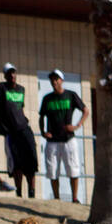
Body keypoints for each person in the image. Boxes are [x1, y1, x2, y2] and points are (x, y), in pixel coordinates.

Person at [0, 64, 38, 198]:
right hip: (10, 132)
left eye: (13, 73)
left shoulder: (21, 89)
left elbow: (19, 108)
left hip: (24, 128)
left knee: (31, 161)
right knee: (16, 163)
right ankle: (19, 192)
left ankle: (32, 192)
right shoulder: (0, 88)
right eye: (9, 73)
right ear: (5, 76)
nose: (12, 75)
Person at [39, 69, 88, 203]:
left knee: (73, 169)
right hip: (52, 140)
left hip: (68, 139)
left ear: (62, 80)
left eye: (56, 79)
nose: (54, 82)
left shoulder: (70, 95)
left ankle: (75, 197)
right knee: (52, 170)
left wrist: (77, 126)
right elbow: (41, 116)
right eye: (52, 79)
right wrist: (43, 132)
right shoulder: (47, 98)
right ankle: (56, 198)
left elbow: (85, 110)